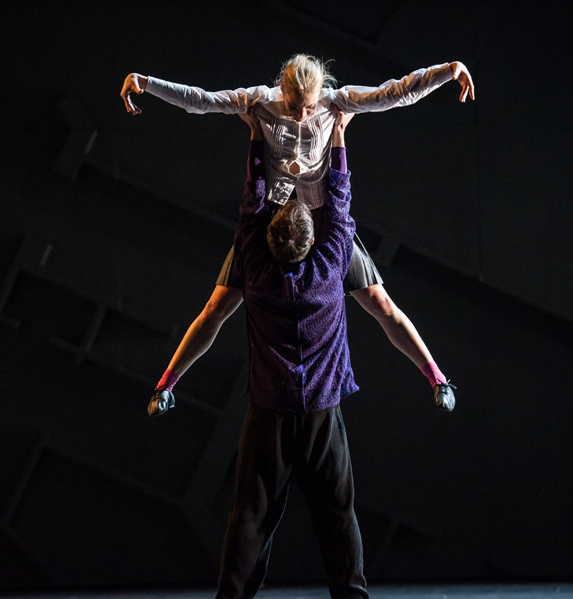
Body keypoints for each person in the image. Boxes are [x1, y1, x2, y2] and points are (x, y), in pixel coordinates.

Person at [120, 55, 471, 414]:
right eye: (293, 107)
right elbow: (202, 101)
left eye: (309, 107)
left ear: (320, 91)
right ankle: (166, 386)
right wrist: (146, 82)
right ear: (283, 91)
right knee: (217, 306)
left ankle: (438, 379)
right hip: (273, 222)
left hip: (323, 221)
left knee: (380, 302)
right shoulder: (261, 100)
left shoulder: (335, 102)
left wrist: (446, 72)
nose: (302, 115)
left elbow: (393, 94)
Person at [208, 106, 408, 599]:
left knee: (249, 517)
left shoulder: (254, 267)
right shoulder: (331, 264)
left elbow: (253, 201)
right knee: (337, 516)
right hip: (320, 414)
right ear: (312, 239)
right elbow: (339, 200)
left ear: (269, 239)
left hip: (269, 413)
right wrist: (338, 136)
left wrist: (257, 136)